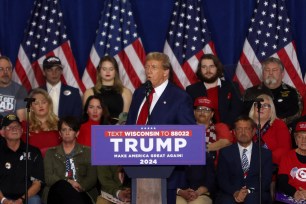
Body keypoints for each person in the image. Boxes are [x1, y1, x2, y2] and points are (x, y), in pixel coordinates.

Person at [126, 52, 196, 204]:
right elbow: (130, 126)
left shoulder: (179, 97)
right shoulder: (139, 93)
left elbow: (189, 135)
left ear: (165, 72)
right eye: (147, 67)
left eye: (154, 67)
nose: (149, 71)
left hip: (166, 173)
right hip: (136, 168)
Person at [216, 115, 272, 204]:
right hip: (231, 192)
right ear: (234, 132)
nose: (243, 132)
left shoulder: (265, 154)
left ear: (253, 131)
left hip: (256, 192)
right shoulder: (225, 152)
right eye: (239, 129)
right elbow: (222, 179)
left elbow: (266, 180)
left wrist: (248, 191)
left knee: (252, 199)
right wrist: (235, 192)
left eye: (247, 129)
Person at [43, 116, 98, 204]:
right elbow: (49, 178)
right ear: (60, 133)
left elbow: (92, 178)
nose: (67, 133)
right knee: (62, 185)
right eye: (64, 130)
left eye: (71, 129)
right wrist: (68, 182)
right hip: (57, 195)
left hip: (82, 192)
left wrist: (80, 187)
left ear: (77, 133)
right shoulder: (51, 153)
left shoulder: (88, 152)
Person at [186, 54, 243, 127]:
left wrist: (222, 129)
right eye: (204, 67)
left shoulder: (232, 87)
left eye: (211, 66)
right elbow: (188, 115)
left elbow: (237, 111)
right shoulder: (191, 90)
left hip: (227, 131)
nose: (208, 70)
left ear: (217, 68)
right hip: (201, 131)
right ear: (200, 69)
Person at [244, 57, 303, 125]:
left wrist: (274, 125)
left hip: (282, 130)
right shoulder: (251, 92)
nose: (270, 73)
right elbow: (245, 115)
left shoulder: (292, 92)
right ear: (263, 73)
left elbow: (295, 116)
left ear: (282, 74)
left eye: (274, 70)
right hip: (256, 130)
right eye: (267, 70)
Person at [0, 114, 44, 204]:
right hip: (2, 197)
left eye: (17, 126)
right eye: (9, 127)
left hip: (27, 197)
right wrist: (3, 200)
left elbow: (37, 184)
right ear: (2, 133)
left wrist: (22, 200)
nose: (14, 129)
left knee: (35, 201)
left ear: (22, 130)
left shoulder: (34, 152)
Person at [83, 56, 132, 124]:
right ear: (99, 71)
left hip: (117, 132)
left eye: (111, 69)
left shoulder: (126, 92)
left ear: (116, 71)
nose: (108, 72)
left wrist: (112, 131)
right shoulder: (89, 92)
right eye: (104, 69)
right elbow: (86, 118)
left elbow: (125, 119)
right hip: (95, 131)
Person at [22, 88, 60, 156]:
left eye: (44, 102)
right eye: (36, 103)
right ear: (31, 107)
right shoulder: (24, 126)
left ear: (49, 104)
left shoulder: (59, 124)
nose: (40, 106)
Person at [193, 96, 233, 161]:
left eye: (206, 110)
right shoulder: (186, 129)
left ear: (212, 114)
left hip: (214, 168)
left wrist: (200, 149)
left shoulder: (219, 127)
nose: (202, 112)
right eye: (199, 109)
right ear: (194, 112)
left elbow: (226, 142)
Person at [277, 121, 306, 203]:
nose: (304, 140)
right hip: (291, 196)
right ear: (296, 140)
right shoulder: (286, 157)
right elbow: (282, 182)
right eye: (300, 137)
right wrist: (295, 193)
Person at [0, 56, 27, 121]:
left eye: (8, 69)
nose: (5, 72)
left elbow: (21, 120)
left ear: (11, 71)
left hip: (11, 128)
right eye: (1, 69)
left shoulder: (20, 90)